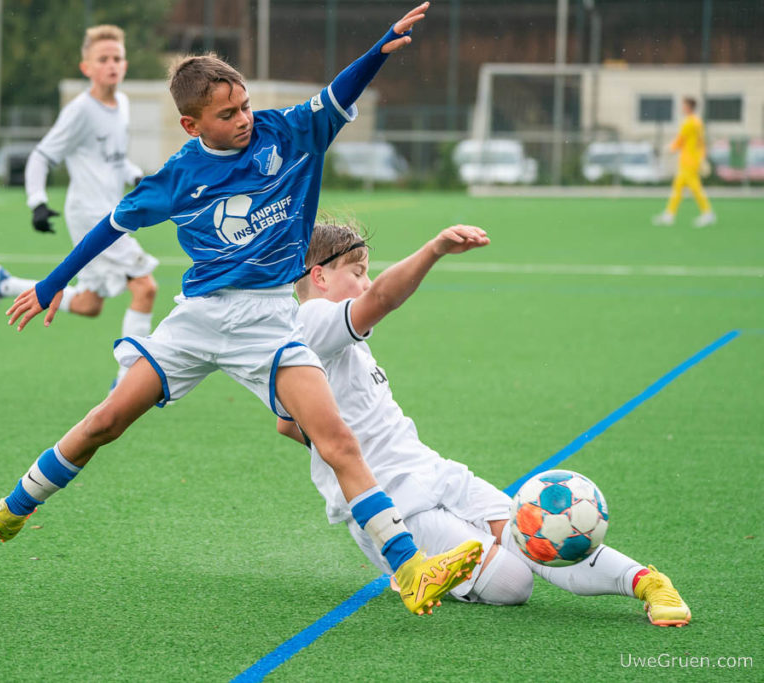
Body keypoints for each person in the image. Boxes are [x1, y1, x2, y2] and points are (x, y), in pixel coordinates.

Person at [0, 3, 484, 617]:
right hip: (197, 321)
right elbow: (108, 229)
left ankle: (411, 570)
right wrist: (51, 282)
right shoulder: (176, 177)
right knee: (105, 421)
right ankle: (10, 512)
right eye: (228, 115)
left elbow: (336, 93)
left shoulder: (288, 133)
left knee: (338, 442)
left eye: (245, 105)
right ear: (191, 124)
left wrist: (381, 45)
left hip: (270, 324)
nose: (245, 119)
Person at [278, 217, 692, 627]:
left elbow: (287, 423)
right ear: (320, 276)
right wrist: (434, 249)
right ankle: (409, 565)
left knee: (534, 530)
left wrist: (335, 443)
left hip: (432, 472)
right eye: (358, 272)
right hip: (394, 504)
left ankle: (647, 582)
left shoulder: (331, 339)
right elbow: (382, 300)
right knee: (515, 583)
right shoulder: (311, 320)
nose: (367, 282)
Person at [0, 24, 159, 387]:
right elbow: (41, 156)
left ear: (126, 64)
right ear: (87, 67)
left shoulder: (123, 105)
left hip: (111, 210)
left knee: (89, 304)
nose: (112, 65)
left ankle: (3, 284)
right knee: (145, 287)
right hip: (90, 214)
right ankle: (127, 382)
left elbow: (113, 160)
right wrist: (37, 202)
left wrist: (136, 177)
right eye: (103, 59)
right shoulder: (80, 111)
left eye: (117, 58)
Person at [653, 96, 716, 228]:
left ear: (688, 107)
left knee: (695, 188)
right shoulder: (698, 122)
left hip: (689, 161)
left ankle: (708, 213)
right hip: (692, 159)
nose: (682, 108)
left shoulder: (689, 123)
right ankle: (669, 215)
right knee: (678, 186)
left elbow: (680, 141)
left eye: (683, 105)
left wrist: (667, 149)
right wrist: (702, 157)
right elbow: (701, 142)